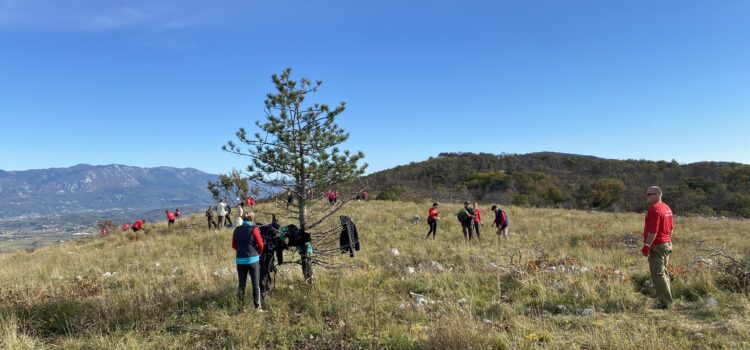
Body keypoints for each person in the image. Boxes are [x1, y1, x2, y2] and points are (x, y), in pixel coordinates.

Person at [641, 186, 674, 309]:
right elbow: (671, 228)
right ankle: (667, 300)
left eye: (648, 194)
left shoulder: (654, 209)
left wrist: (647, 245)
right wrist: (669, 242)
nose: (646, 196)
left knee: (658, 275)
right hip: (666, 244)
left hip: (657, 245)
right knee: (663, 273)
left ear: (656, 195)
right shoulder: (667, 208)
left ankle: (666, 303)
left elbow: (653, 231)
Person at [232, 210, 265, 311]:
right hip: (252, 260)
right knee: (255, 284)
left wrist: (241, 251)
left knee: (241, 285)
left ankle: (240, 307)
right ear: (252, 218)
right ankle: (257, 307)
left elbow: (233, 245)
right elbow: (261, 245)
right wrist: (257, 253)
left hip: (240, 260)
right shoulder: (254, 229)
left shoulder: (236, 229)